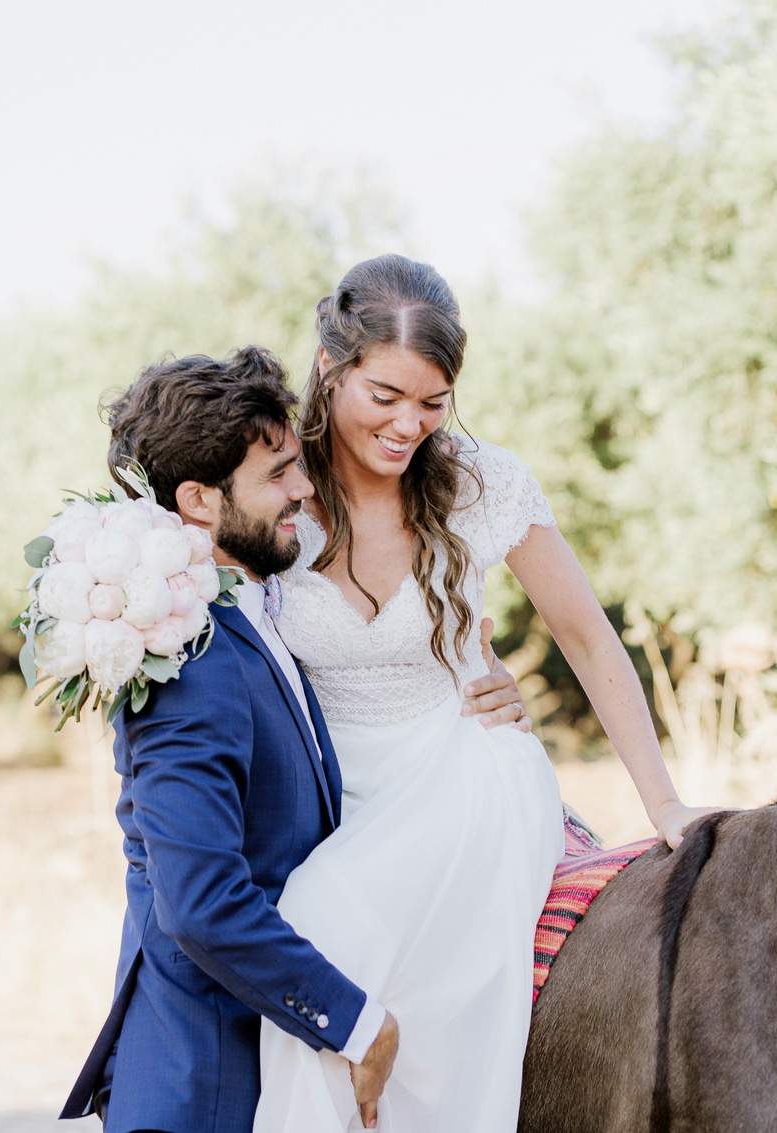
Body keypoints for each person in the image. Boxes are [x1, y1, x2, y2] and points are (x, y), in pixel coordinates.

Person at [255, 254, 715, 1132]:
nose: (409, 425)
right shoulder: (277, 485)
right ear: (329, 364)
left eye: (433, 402)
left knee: (314, 919)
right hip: (336, 793)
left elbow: (588, 636)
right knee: (308, 967)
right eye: (385, 395)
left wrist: (664, 802)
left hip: (470, 769)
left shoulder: (481, 480)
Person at [58, 346, 531, 1133]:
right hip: (202, 1087)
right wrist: (357, 1024)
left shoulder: (257, 613)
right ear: (199, 500)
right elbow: (200, 902)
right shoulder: (190, 667)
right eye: (278, 474)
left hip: (265, 1069)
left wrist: (479, 677)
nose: (305, 488)